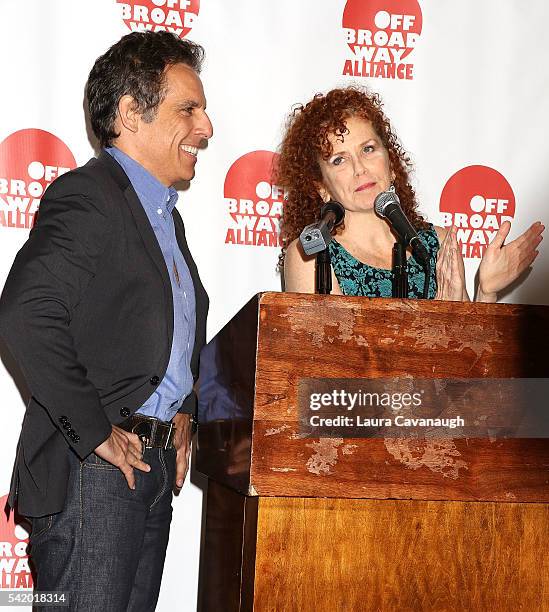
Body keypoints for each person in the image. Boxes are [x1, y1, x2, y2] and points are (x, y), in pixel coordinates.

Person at [0, 31, 212, 610]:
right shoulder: (89, 196)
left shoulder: (166, 217)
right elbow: (26, 311)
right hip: (91, 476)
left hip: (148, 470)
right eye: (187, 109)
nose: (206, 128)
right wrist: (94, 432)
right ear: (129, 115)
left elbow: (165, 331)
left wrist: (184, 411)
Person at [278, 87, 543, 300]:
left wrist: (486, 291)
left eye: (368, 149)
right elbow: (331, 362)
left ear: (391, 163)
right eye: (339, 160)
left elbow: (469, 361)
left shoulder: (437, 244)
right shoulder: (313, 254)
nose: (360, 168)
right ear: (321, 187)